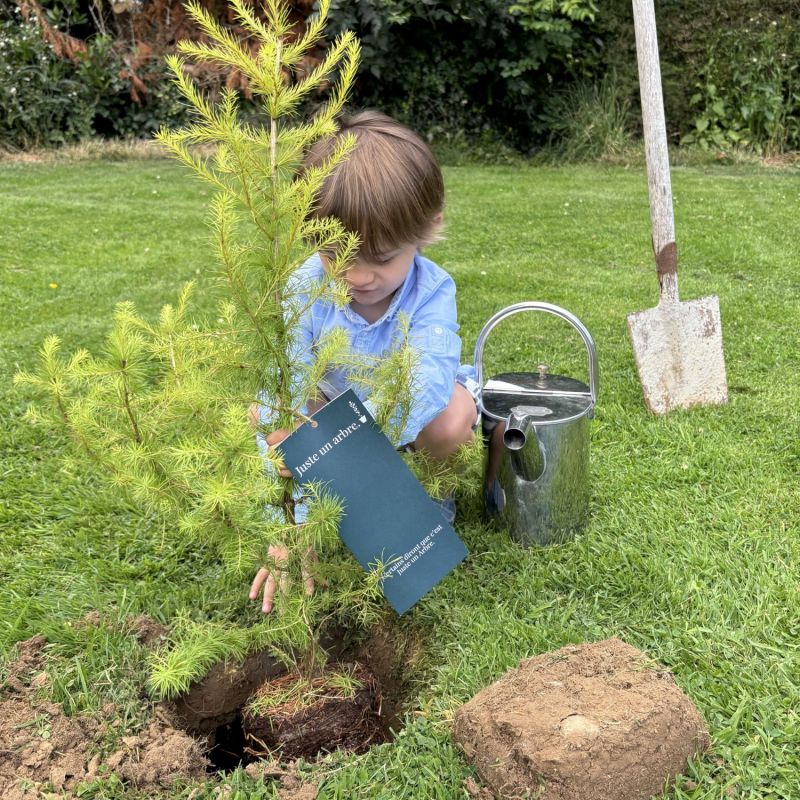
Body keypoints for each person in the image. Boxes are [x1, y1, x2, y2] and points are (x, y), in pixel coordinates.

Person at [249, 110, 481, 613]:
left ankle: (428, 500)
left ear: (428, 228)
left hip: (404, 412)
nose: (357, 275)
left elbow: (425, 382)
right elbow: (287, 389)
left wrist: (351, 441)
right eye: (338, 254)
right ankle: (323, 511)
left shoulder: (432, 292)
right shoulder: (302, 290)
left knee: (452, 419)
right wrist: (294, 522)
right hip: (329, 402)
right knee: (267, 414)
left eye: (379, 257)